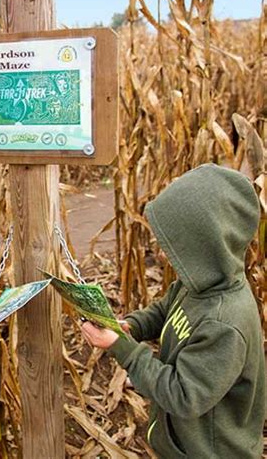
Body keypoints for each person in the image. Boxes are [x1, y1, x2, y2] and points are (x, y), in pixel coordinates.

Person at [81, 164, 265, 458]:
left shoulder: (224, 324)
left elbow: (183, 395)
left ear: (206, 246)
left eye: (176, 244)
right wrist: (131, 326)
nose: (164, 251)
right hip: (187, 443)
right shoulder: (199, 283)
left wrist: (123, 349)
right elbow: (166, 309)